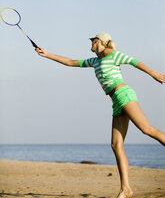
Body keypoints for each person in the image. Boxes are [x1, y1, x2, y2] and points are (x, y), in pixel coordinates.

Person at [35, 32, 165, 198]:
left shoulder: (111, 54)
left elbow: (134, 62)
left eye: (93, 40)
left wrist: (153, 73)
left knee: (146, 129)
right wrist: (47, 54)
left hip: (124, 94)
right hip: (116, 101)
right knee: (116, 145)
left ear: (101, 42)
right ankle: (126, 189)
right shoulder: (94, 61)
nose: (90, 42)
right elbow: (69, 62)